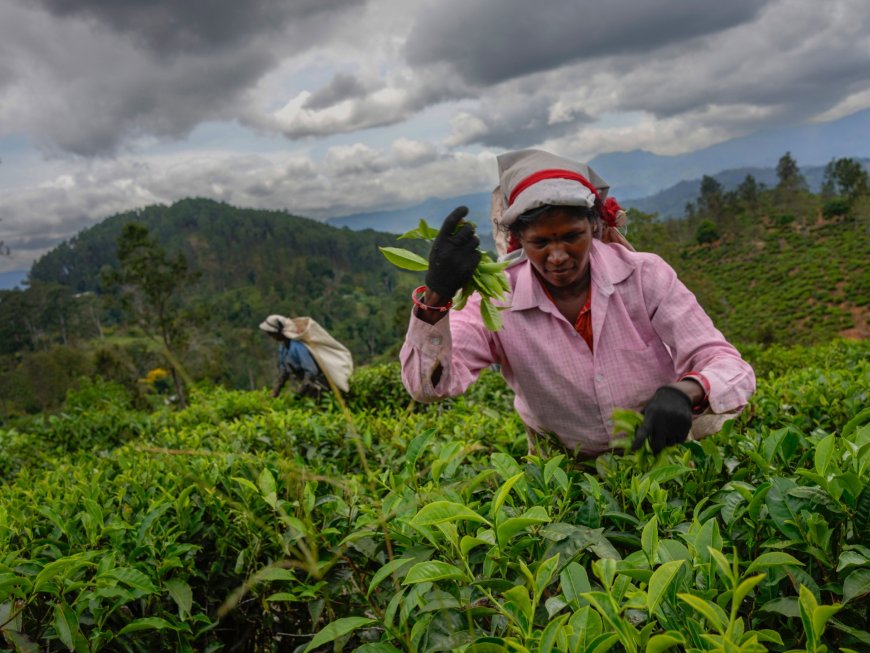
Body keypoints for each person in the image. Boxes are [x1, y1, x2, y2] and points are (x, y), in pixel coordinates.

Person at [400, 148, 756, 458]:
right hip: (563, 476)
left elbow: (728, 365)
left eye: (572, 237)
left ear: (594, 226)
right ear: (518, 239)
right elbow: (427, 387)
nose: (557, 256)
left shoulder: (645, 276)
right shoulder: (496, 301)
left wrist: (686, 391)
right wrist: (437, 296)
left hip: (660, 457)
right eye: (540, 242)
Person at [260, 315, 330, 399]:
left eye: (272, 333)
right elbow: (284, 373)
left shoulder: (297, 346)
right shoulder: (283, 348)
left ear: (280, 332)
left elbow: (311, 371)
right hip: (307, 387)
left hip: (320, 387)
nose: (271, 336)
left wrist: (299, 393)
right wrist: (275, 392)